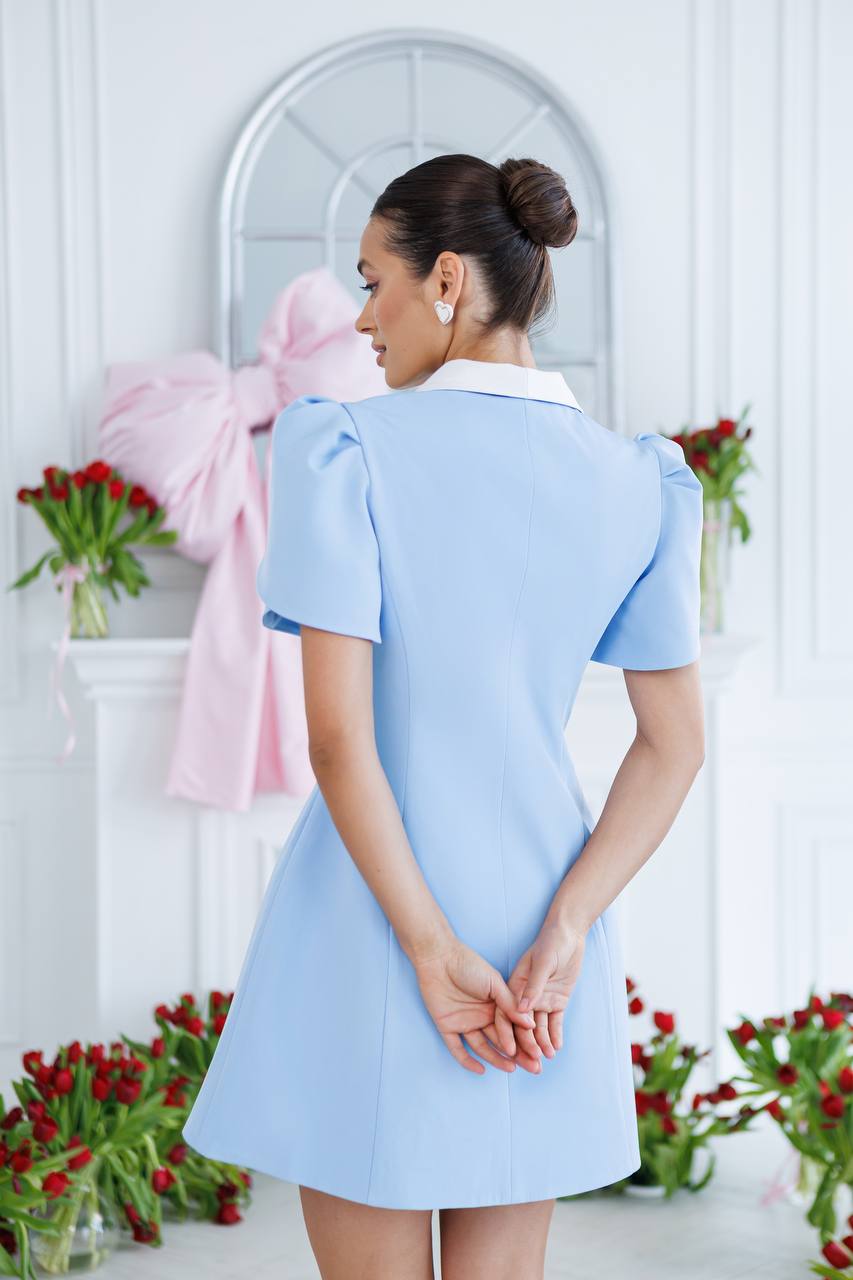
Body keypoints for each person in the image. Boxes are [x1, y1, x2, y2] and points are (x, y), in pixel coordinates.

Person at [181, 153, 706, 1280]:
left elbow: (339, 741)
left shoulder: (345, 450)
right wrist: (566, 928)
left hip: (375, 913)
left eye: (374, 282)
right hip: (538, 938)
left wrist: (426, 946)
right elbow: (675, 745)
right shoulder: (641, 479)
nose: (361, 318)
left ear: (449, 280)